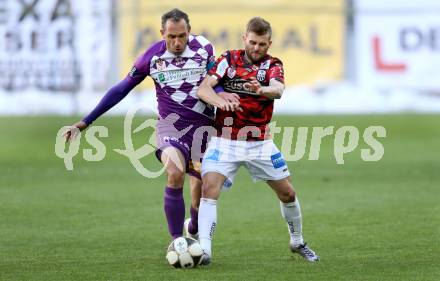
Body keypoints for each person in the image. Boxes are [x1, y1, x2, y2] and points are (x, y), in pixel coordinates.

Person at [64, 9, 239, 242]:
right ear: (162, 33)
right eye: (171, 37)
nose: (177, 42)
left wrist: (223, 95)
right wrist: (86, 122)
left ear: (189, 31)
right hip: (172, 128)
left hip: (204, 131)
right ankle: (177, 241)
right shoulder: (152, 57)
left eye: (182, 36)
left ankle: (194, 228)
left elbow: (213, 83)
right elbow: (121, 89)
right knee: (175, 172)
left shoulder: (204, 48)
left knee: (200, 194)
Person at [196, 17, 319, 264]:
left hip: (260, 143)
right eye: (252, 42)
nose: (256, 48)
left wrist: (262, 90)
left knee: (287, 193)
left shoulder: (273, 64)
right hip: (225, 140)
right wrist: (221, 101)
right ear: (244, 39)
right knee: (209, 189)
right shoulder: (227, 60)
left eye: (262, 44)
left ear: (269, 43)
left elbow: (278, 89)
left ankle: (297, 241)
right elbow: (203, 89)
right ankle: (205, 250)